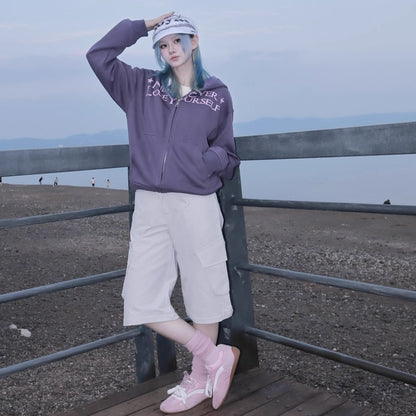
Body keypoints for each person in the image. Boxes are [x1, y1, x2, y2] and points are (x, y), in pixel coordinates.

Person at [87, 12, 240, 413]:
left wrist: (203, 163)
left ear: (194, 41)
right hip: (151, 203)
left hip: (196, 202)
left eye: (178, 40)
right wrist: (141, 26)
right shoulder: (140, 86)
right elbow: (99, 55)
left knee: (204, 290)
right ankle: (214, 355)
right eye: (164, 44)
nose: (171, 49)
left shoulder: (217, 93)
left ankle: (200, 379)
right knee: (140, 298)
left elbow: (227, 152)